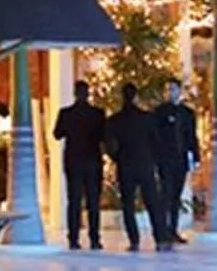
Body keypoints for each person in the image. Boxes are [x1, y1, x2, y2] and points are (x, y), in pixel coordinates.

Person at [105, 83, 170, 252]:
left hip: (125, 165)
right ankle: (161, 239)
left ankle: (134, 240)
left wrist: (117, 158)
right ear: (135, 97)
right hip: (145, 164)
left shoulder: (115, 120)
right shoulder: (147, 118)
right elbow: (157, 142)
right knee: (153, 203)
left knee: (128, 205)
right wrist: (154, 160)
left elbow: (108, 145)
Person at [52, 79, 107, 251]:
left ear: (75, 94)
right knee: (93, 202)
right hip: (92, 161)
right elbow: (103, 136)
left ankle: (74, 238)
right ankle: (94, 238)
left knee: (74, 200)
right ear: (88, 93)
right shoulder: (97, 114)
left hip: (73, 161)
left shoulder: (66, 113)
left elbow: (57, 134)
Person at [150, 78, 200, 248]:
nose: (169, 92)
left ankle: (173, 229)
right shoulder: (159, 113)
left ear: (179, 91)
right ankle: (164, 231)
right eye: (167, 89)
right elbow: (155, 137)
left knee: (175, 196)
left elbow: (192, 136)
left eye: (172, 89)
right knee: (165, 194)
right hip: (165, 159)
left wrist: (196, 157)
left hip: (181, 159)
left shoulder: (187, 113)